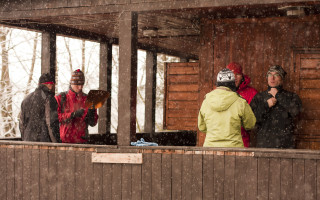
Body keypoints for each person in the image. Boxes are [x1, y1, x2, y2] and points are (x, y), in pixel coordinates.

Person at [198, 68, 256, 147]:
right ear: (232, 84)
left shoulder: (206, 101)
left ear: (217, 83)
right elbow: (250, 124)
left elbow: (202, 127)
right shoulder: (240, 102)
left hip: (210, 149)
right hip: (234, 149)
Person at [250, 65, 302, 148]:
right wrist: (266, 105)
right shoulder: (259, 97)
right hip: (264, 143)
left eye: (276, 75)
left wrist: (278, 96)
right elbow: (252, 120)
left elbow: (295, 112)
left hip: (285, 144)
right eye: (270, 75)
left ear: (282, 78)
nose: (272, 78)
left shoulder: (291, 96)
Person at [55, 69, 98, 143]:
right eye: (77, 84)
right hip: (64, 142)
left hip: (82, 141)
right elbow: (55, 118)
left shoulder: (88, 99)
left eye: (82, 84)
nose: (80, 87)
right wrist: (72, 115)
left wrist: (92, 113)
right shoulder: (60, 98)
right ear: (71, 83)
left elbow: (93, 123)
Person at [19, 73, 60, 142]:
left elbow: (21, 124)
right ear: (50, 85)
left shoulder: (26, 99)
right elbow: (51, 123)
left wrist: (25, 139)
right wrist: (56, 143)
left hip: (28, 143)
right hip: (44, 144)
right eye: (54, 85)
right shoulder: (49, 99)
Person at [227, 62, 258, 147]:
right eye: (232, 74)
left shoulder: (251, 93)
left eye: (238, 74)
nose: (235, 77)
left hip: (242, 140)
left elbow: (253, 119)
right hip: (222, 140)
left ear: (242, 76)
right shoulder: (219, 93)